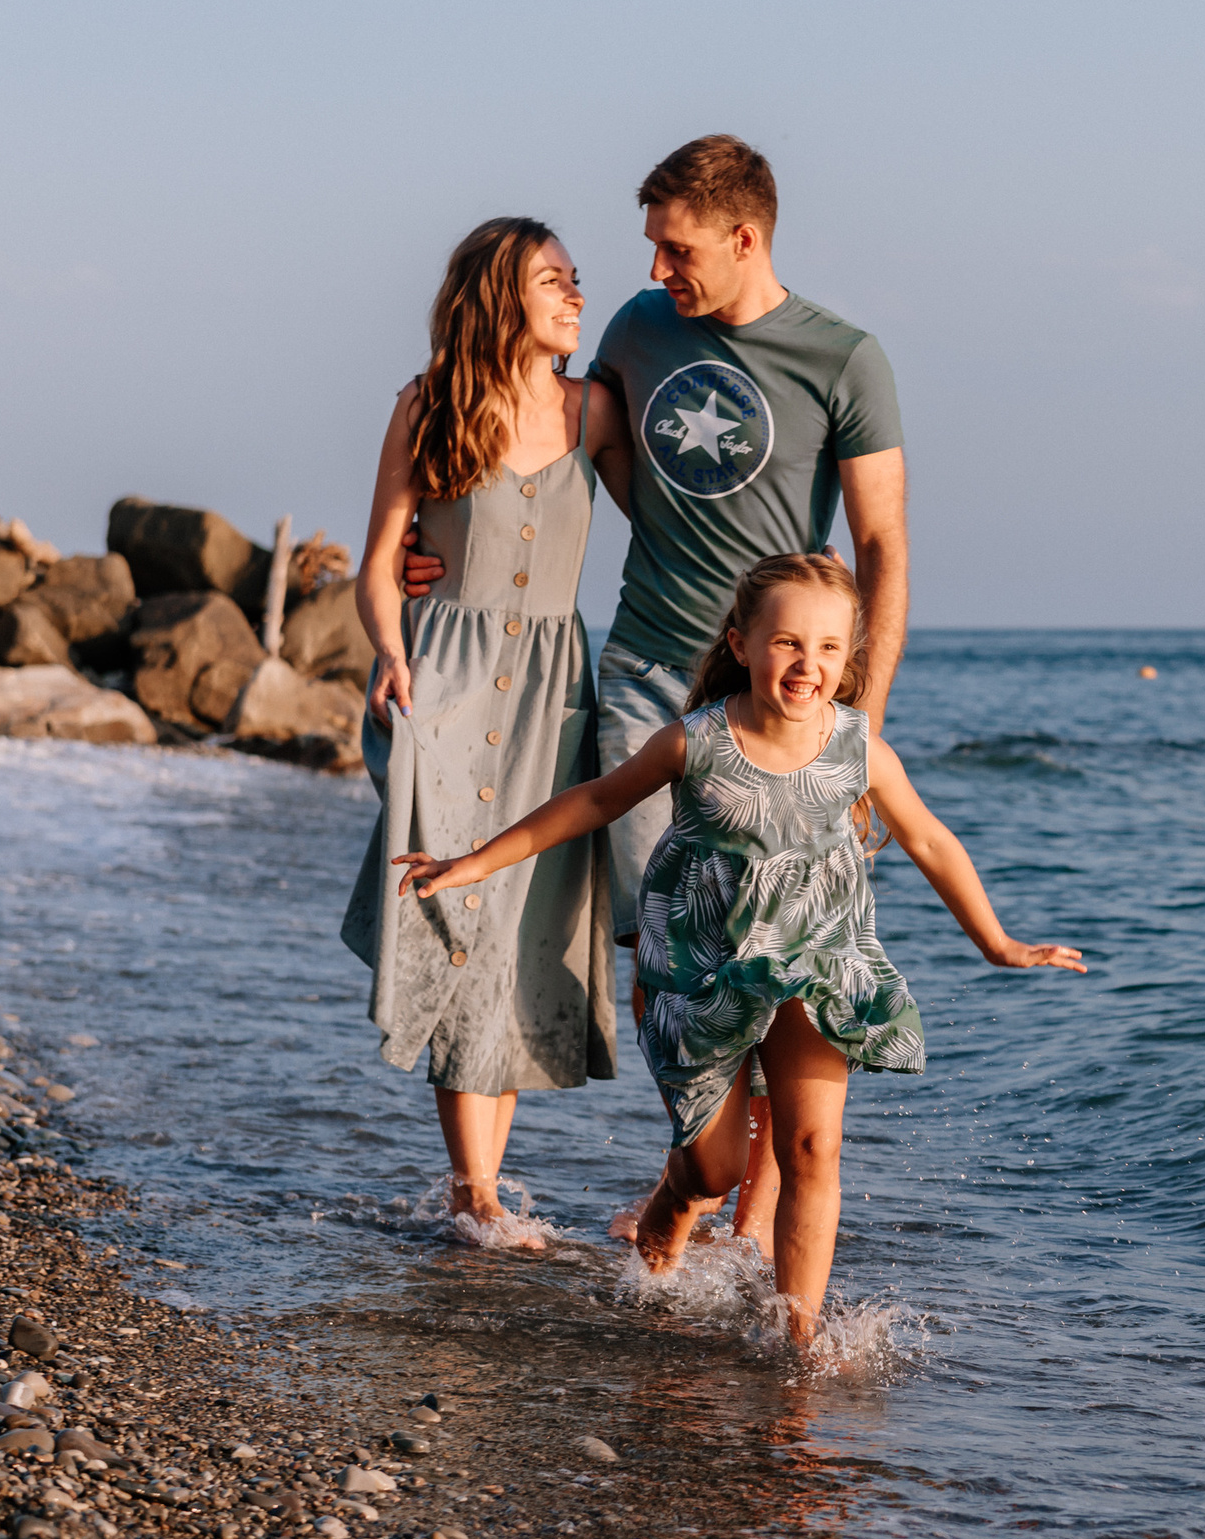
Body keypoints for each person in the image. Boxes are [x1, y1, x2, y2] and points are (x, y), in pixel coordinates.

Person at [405, 135, 910, 1254]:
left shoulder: (845, 359)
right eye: (649, 249)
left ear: (744, 237)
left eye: (675, 249)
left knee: (778, 950)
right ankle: (699, 1162)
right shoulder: (636, 332)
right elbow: (532, 440)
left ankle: (746, 1202)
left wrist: (857, 722)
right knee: (667, 946)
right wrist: (432, 552)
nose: (654, 270)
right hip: (643, 675)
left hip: (787, 705)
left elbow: (881, 544)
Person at [387, 554, 1082, 1342]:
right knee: (714, 1171)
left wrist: (997, 942)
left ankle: (802, 1337)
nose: (807, 664)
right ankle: (670, 1210)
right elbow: (594, 801)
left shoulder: (858, 749)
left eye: (827, 648)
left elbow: (930, 840)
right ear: (742, 644)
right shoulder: (697, 742)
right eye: (787, 643)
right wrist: (471, 862)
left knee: (813, 1146)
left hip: (817, 964)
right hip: (701, 969)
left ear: (848, 657)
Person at [342, 216, 623, 1240]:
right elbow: (381, 559)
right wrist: (392, 645)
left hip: (553, 698)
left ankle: (482, 1191)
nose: (575, 296)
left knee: (521, 927)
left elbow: (674, 533)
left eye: (576, 280)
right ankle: (477, 1194)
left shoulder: (597, 410)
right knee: (458, 915)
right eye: (553, 281)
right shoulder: (429, 407)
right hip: (447, 688)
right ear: (500, 295)